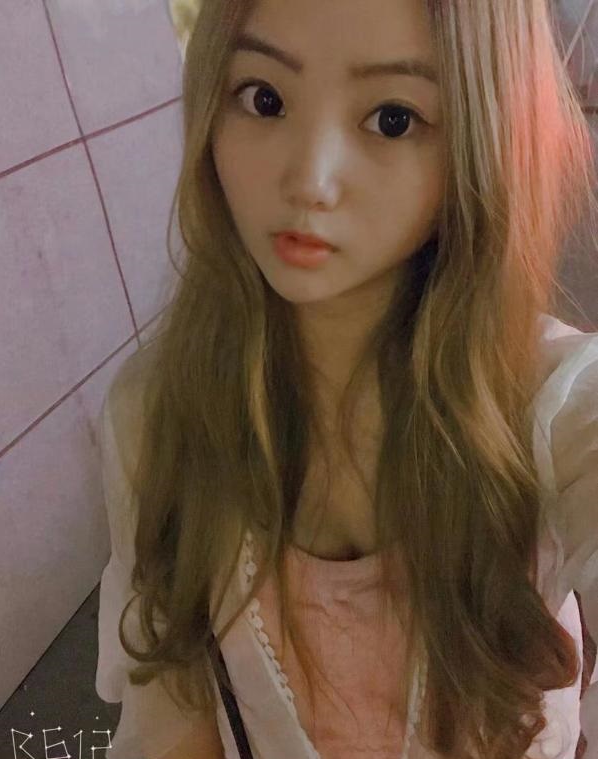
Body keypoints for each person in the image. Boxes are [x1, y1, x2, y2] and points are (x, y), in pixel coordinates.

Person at [95, 1, 598, 757]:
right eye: (264, 98)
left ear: (480, 138)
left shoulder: (553, 404)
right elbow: (169, 724)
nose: (309, 178)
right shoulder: (155, 413)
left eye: (393, 119)